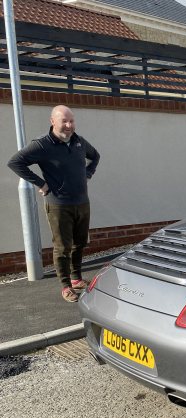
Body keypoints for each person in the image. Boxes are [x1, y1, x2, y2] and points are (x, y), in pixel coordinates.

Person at [7, 105, 100, 302]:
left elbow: (95, 156)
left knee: (80, 243)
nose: (68, 125)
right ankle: (66, 286)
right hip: (59, 205)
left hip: (82, 202)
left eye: (71, 121)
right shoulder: (42, 144)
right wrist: (41, 183)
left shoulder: (79, 142)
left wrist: (87, 174)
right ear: (52, 121)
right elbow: (15, 162)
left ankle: (76, 279)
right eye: (64, 121)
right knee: (62, 247)